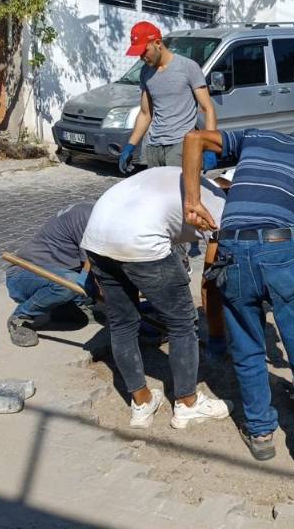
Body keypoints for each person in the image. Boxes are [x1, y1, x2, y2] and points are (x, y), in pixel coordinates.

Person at [179, 111, 294, 475]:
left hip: (231, 250)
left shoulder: (256, 137)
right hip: (281, 252)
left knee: (247, 348)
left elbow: (194, 138)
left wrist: (192, 201)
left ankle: (260, 435)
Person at [80, 165, 233, 430]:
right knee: (183, 323)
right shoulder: (220, 206)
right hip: (140, 238)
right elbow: (211, 273)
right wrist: (218, 330)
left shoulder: (186, 176)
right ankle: (187, 403)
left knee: (122, 323)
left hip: (96, 234)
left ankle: (142, 403)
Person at [118, 21, 217, 173]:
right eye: (139, 54)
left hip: (181, 145)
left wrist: (210, 148)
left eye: (144, 51)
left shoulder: (188, 67)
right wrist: (130, 146)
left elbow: (207, 109)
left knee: (181, 195)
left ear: (158, 43)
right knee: (158, 196)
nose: (141, 57)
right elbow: (145, 114)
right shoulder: (145, 72)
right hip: (153, 148)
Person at [6, 202, 95, 348]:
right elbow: (90, 267)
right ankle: (20, 318)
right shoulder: (87, 218)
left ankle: (63, 309)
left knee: (84, 283)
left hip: (56, 271)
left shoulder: (96, 213)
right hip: (23, 275)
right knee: (72, 283)